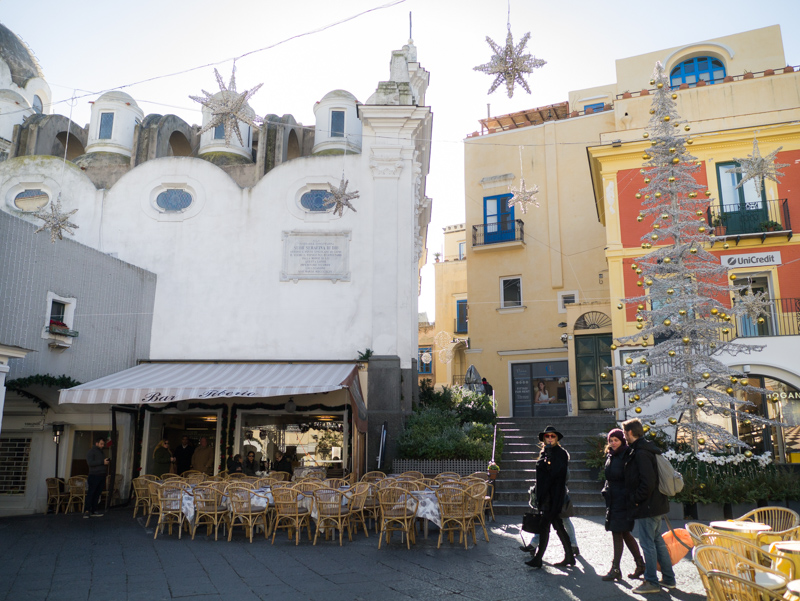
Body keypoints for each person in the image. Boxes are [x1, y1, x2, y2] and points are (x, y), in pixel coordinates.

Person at [622, 418, 677, 594]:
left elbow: (648, 482)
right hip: (656, 504)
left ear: (630, 433)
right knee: (657, 542)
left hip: (647, 506)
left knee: (648, 544)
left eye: (624, 433)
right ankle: (668, 579)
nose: (624, 437)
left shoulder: (641, 453)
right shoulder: (647, 449)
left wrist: (636, 499)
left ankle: (651, 581)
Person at [525, 425, 574, 569]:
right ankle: (569, 556)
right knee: (558, 527)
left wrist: (549, 459)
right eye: (547, 436)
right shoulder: (544, 453)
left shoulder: (561, 453)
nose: (550, 438)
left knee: (545, 527)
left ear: (557, 438)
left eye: (553, 436)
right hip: (544, 496)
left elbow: (557, 474)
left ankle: (538, 558)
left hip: (555, 497)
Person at [601, 428, 645, 582]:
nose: (613, 443)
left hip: (623, 499)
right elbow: (609, 477)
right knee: (624, 532)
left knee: (617, 532)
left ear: (622, 441)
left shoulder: (626, 455)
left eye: (616, 440)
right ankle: (640, 564)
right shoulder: (611, 455)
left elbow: (631, 477)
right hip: (614, 498)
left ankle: (615, 569)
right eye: (611, 440)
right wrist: (606, 489)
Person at [84, 436, 109, 518]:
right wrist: (102, 462)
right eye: (101, 444)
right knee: (91, 493)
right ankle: (87, 510)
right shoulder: (91, 451)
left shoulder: (101, 452)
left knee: (97, 494)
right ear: (96, 443)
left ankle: (94, 510)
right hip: (94, 475)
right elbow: (90, 463)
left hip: (101, 475)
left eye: (103, 444)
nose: (102, 445)